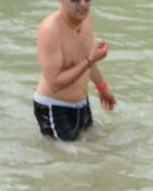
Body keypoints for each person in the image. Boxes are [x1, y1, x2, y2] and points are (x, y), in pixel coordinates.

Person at [34, 0, 117, 141]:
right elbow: (55, 84)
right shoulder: (50, 29)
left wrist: (102, 87)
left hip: (82, 104)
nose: (83, 4)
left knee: (93, 149)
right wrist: (90, 60)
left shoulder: (85, 19)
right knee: (67, 158)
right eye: (75, 0)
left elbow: (86, 60)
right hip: (54, 107)